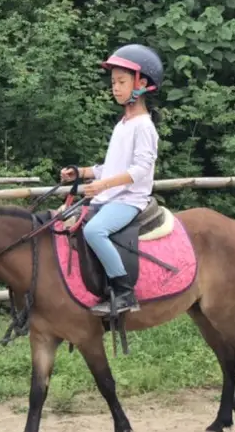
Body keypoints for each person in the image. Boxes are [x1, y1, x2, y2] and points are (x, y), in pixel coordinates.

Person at [60, 44, 163, 317]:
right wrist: (82, 172)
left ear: (141, 83)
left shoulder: (144, 126)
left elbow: (141, 170)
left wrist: (103, 186)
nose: (115, 88)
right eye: (113, 82)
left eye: (121, 82)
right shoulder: (123, 123)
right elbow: (112, 166)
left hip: (129, 199)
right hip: (111, 196)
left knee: (95, 231)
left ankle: (124, 291)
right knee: (63, 218)